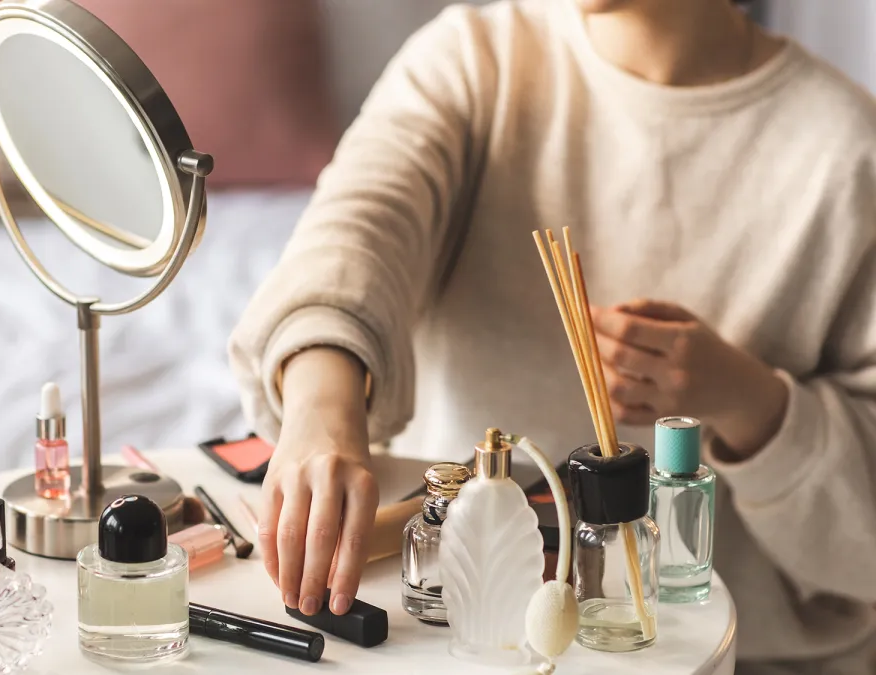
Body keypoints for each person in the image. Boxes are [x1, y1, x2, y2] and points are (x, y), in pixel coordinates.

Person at [228, 0, 876, 672]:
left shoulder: (849, 149)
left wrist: (749, 401)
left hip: (738, 656)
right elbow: (355, 232)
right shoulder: (477, 61)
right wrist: (321, 411)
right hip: (452, 639)